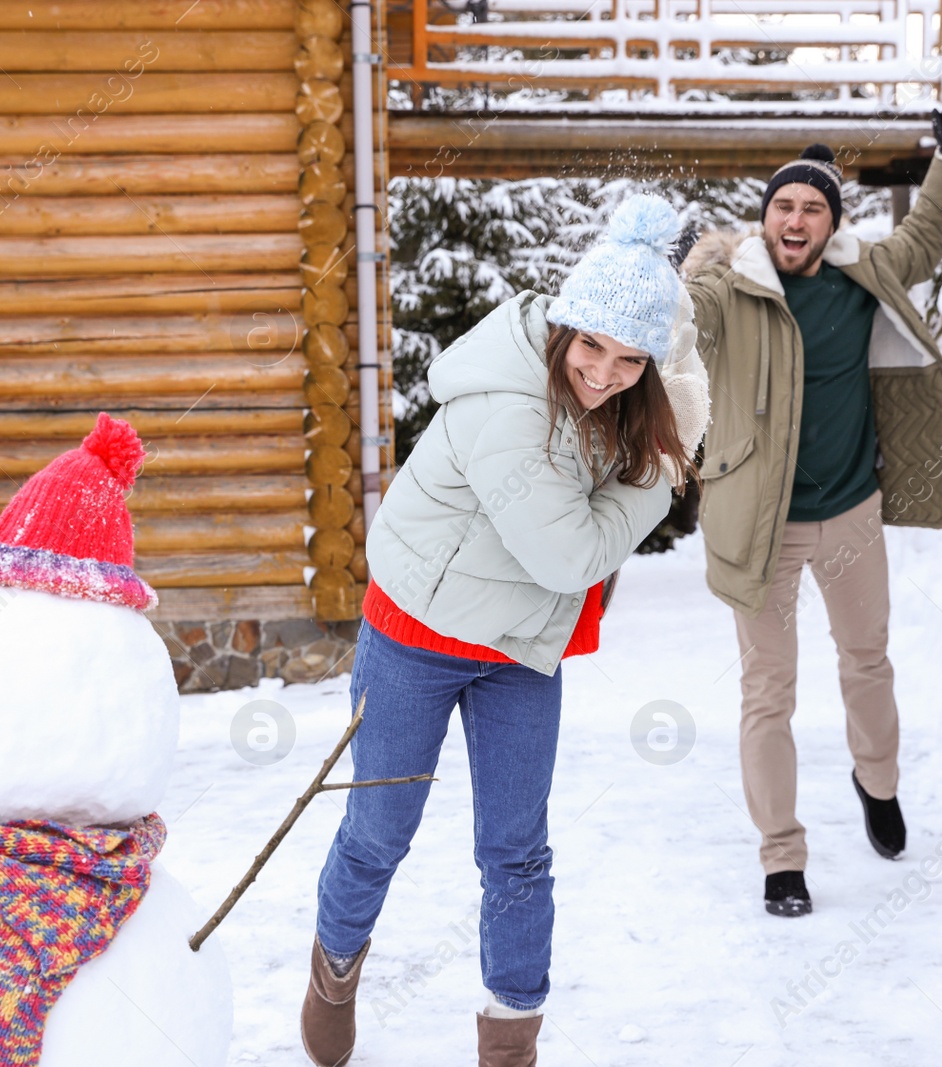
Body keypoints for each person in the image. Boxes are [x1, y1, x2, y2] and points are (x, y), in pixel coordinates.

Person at [300, 194, 710, 1067]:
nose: (604, 374)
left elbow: (595, 526)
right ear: (564, 324)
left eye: (632, 360)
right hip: (417, 636)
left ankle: (511, 1043)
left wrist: (664, 421)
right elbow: (571, 555)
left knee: (517, 849)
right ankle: (335, 968)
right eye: (593, 346)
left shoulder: (621, 398)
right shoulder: (508, 406)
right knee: (379, 833)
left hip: (519, 649)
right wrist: (665, 470)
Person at [680, 107, 942, 918]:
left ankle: (877, 780)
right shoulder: (728, 291)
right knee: (767, 692)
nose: (796, 219)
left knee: (867, 662)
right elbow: (677, 320)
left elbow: (926, 230)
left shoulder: (862, 278)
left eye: (812, 207)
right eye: (784, 206)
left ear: (831, 223)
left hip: (851, 512)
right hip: (762, 524)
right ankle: (782, 857)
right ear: (765, 219)